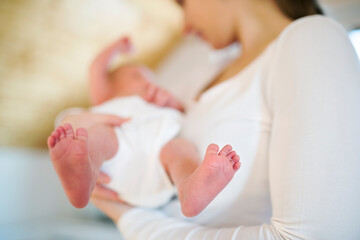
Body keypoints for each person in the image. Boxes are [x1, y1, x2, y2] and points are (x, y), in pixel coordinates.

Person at [89, 0, 360, 239]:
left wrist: (129, 217)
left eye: (183, 3)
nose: (184, 28)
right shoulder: (204, 74)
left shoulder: (312, 39)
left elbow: (310, 237)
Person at [47, 37, 241, 217]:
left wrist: (170, 102)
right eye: (137, 76)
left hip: (159, 166)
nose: (148, 82)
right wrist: (116, 48)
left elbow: (182, 111)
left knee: (180, 148)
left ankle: (190, 188)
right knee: (99, 136)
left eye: (152, 79)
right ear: (113, 86)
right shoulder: (107, 100)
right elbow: (96, 69)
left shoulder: (159, 105)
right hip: (118, 155)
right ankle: (84, 171)